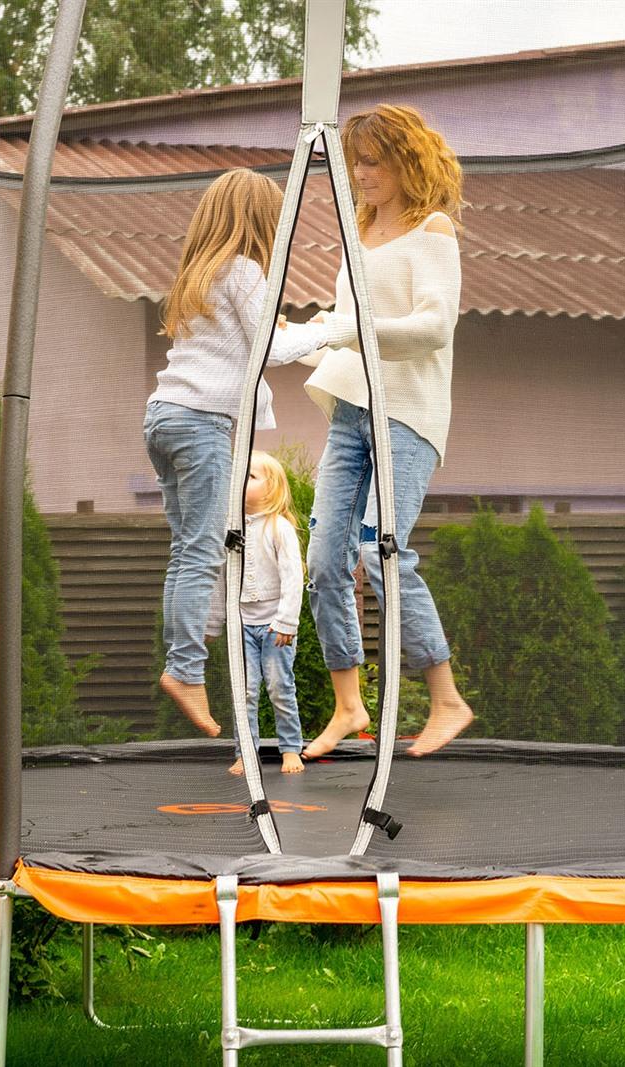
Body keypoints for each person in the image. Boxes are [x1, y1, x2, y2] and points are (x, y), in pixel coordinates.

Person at [297, 104, 474, 758]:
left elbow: (432, 327)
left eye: (372, 161)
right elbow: (345, 324)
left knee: (382, 548)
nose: (361, 173)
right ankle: (349, 705)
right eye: (356, 162)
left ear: (406, 159)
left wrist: (349, 330)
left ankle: (447, 698)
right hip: (351, 408)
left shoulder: (433, 231)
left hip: (406, 414)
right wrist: (309, 333)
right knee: (323, 563)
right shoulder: (360, 231)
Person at [146, 168, 342, 737]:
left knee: (190, 551)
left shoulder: (200, 273)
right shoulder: (247, 269)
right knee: (202, 551)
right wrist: (330, 331)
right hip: (201, 423)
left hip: (163, 417)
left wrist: (290, 326)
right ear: (259, 221)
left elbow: (242, 339)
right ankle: (184, 668)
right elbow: (272, 351)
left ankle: (188, 658)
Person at [218, 451, 306, 776]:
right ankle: (246, 753)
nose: (240, 481)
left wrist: (287, 620)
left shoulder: (278, 527)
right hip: (242, 624)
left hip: (274, 626)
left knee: (280, 687)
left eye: (250, 477)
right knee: (246, 690)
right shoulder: (231, 528)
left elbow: (293, 576)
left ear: (271, 489)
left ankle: (291, 749)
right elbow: (220, 574)